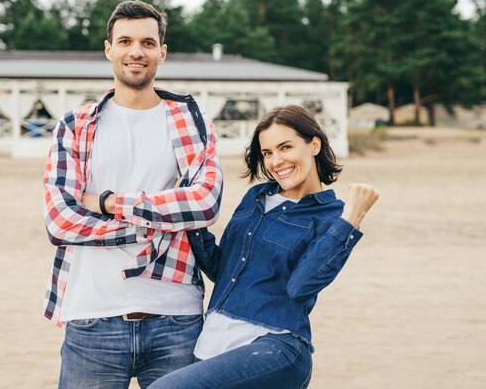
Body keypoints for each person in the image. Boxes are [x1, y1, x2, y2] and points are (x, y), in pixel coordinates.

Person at [42, 0, 223, 389]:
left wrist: (108, 203)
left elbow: (205, 203)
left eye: (147, 42)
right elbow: (60, 222)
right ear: (109, 49)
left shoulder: (191, 121)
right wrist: (154, 227)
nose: (136, 51)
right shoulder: (76, 126)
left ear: (162, 51)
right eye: (125, 41)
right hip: (92, 316)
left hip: (177, 319)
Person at [149, 105, 379, 389]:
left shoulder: (332, 216)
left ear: (314, 144)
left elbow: (300, 286)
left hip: (276, 346)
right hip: (214, 343)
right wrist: (189, 211)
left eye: (285, 147)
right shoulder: (256, 197)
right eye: (268, 153)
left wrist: (351, 220)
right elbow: (223, 268)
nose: (276, 161)